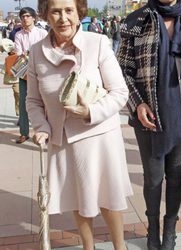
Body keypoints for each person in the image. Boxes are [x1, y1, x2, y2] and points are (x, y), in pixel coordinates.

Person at [26, 0, 133, 250]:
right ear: (45, 15)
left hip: (99, 135)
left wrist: (91, 111)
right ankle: (88, 246)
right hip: (62, 138)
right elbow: (32, 100)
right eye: (55, 11)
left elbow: (119, 92)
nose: (63, 18)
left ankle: (120, 247)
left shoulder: (98, 44)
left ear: (79, 13)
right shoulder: (36, 51)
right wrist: (41, 126)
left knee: (108, 198)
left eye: (68, 11)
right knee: (78, 199)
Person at [117, 0, 181, 249]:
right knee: (152, 178)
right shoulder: (136, 21)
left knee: (176, 176)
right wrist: (137, 103)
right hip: (148, 118)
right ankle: (153, 230)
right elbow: (123, 70)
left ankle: (170, 229)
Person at [14, 7, 47, 143]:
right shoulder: (18, 35)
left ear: (34, 17)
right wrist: (30, 54)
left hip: (41, 73)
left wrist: (28, 54)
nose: (25, 19)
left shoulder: (42, 33)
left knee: (44, 103)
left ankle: (44, 132)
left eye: (27, 16)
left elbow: (46, 51)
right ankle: (24, 132)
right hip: (24, 74)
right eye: (22, 17)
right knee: (23, 104)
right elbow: (18, 53)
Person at [0, 38, 20, 121]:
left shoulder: (19, 54)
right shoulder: (9, 58)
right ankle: (20, 116)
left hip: (25, 79)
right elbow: (4, 69)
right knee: (17, 95)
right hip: (16, 81)